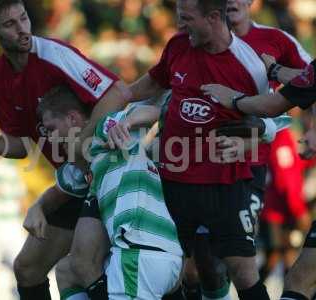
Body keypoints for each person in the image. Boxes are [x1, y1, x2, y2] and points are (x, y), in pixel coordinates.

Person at [111, 0, 274, 299]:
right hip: (174, 182)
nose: (181, 26)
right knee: (177, 270)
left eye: (187, 19)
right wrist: (116, 99)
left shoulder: (248, 65)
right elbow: (154, 82)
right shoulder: (178, 46)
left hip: (225, 184)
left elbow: (274, 120)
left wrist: (248, 140)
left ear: (213, 17)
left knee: (241, 269)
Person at [0, 1, 131, 299]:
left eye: (24, 18)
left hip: (105, 171)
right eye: (10, 24)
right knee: (27, 268)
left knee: (81, 265)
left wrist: (82, 143)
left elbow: (119, 92)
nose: (23, 29)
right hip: (73, 179)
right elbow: (22, 145)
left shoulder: (53, 54)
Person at [180, 0, 313, 298]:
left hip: (250, 167)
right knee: (193, 267)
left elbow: (305, 84)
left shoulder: (276, 41)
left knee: (238, 263)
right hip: (197, 168)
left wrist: (275, 75)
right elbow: (166, 88)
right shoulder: (192, 40)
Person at [37, 85, 183, 300]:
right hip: (161, 255)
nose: (49, 138)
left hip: (138, 256)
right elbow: (61, 187)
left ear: (72, 119)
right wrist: (37, 208)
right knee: (67, 269)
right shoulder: (93, 170)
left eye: (50, 129)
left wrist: (126, 122)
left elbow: (153, 112)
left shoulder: (99, 133)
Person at [201, 59, 316, 300]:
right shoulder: (285, 137)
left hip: (278, 209)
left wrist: (235, 98)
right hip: (276, 210)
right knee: (292, 267)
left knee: (295, 272)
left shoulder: (285, 137)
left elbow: (276, 103)